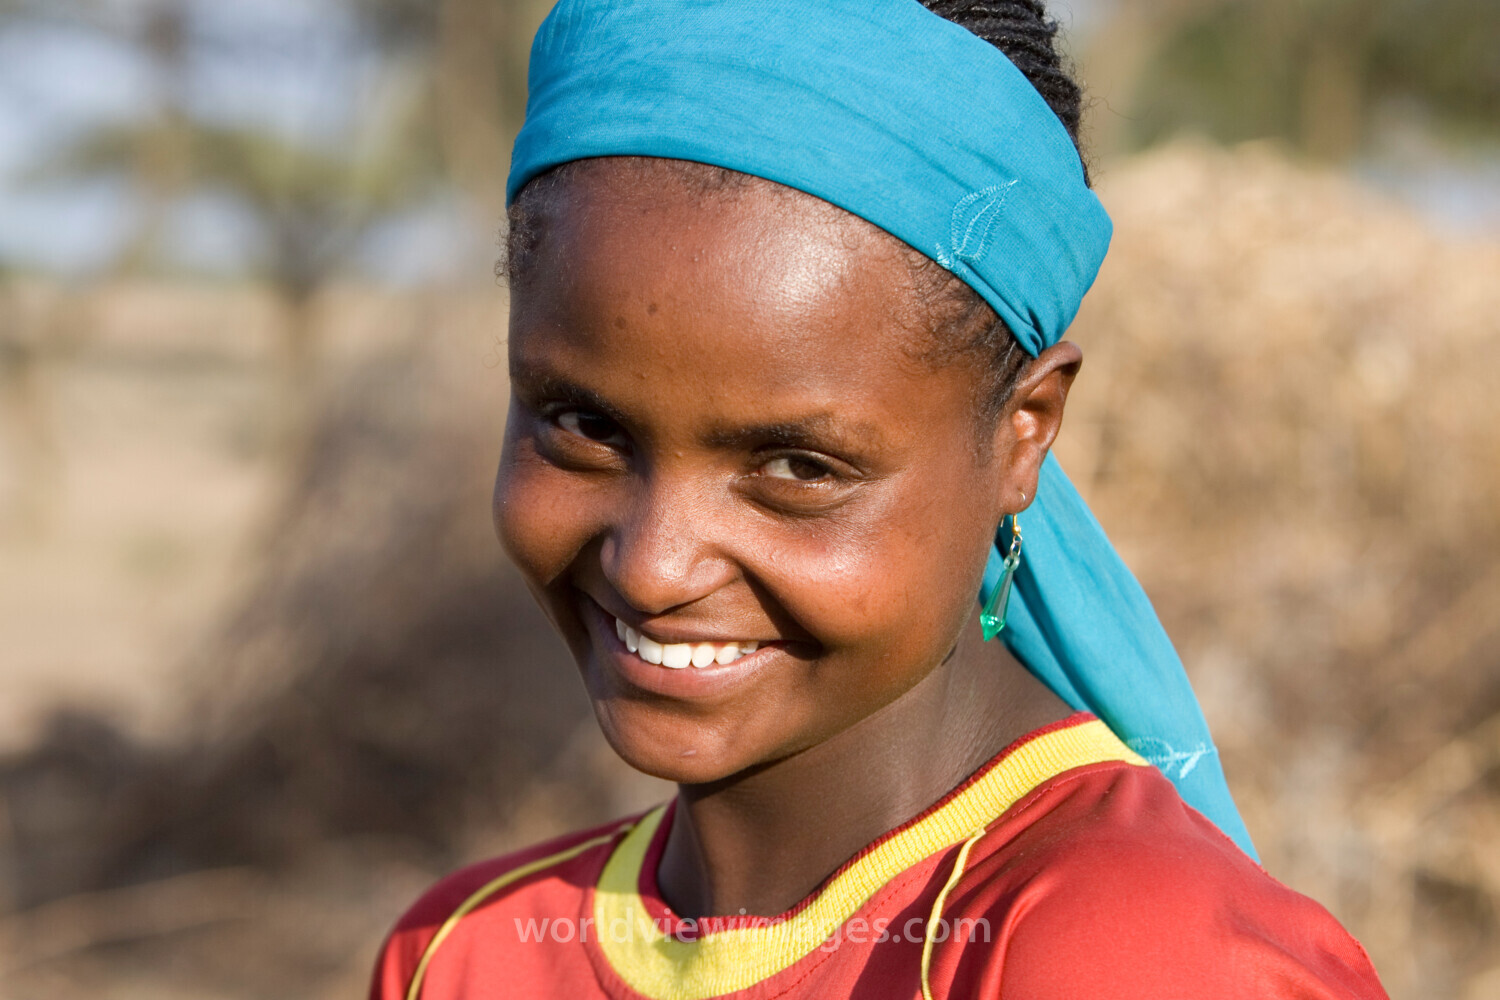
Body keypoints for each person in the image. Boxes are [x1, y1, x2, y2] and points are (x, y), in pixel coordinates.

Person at [369, 1, 1390, 997]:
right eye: (583, 425)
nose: (652, 565)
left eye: (799, 468)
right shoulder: (460, 957)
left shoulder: (1139, 959)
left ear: (1024, 433)